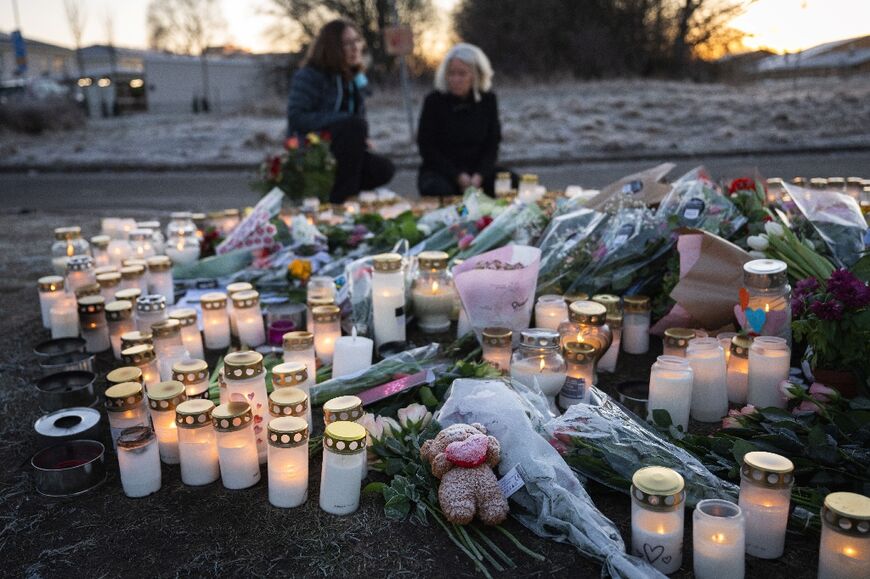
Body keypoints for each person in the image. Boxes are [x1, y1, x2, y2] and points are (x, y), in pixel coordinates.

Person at [286, 20, 395, 203]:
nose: (355, 48)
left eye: (357, 41)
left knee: (384, 169)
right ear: (332, 47)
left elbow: (358, 117)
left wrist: (359, 136)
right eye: (347, 43)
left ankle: (337, 193)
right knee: (354, 125)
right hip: (314, 148)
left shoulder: (353, 77)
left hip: (345, 149)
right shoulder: (310, 75)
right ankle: (340, 201)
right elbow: (297, 117)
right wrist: (345, 123)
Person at [417, 43, 512, 198]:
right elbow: (427, 147)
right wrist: (457, 175)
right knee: (438, 190)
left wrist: (479, 175)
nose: (455, 79)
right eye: (451, 74)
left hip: (478, 172)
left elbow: (492, 143)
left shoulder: (488, 100)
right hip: (442, 171)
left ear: (475, 75)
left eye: (462, 74)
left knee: (514, 184)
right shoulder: (433, 101)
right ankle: (460, 215)